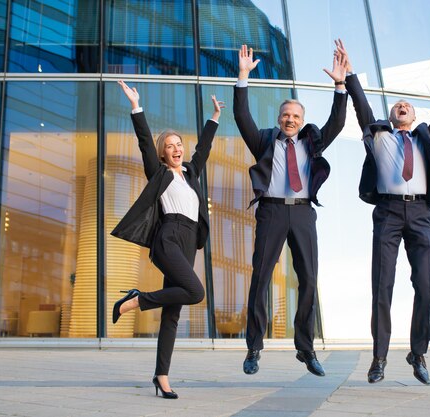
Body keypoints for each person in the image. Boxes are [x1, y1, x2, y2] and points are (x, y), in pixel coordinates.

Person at [335, 39, 430, 385]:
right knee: (382, 286)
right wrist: (351, 72)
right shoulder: (378, 135)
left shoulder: (424, 138)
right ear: (390, 117)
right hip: (387, 213)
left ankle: (418, 353)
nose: (402, 106)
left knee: (426, 285)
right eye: (397, 105)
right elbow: (360, 104)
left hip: (420, 214)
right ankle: (379, 358)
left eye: (407, 105)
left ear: (415, 117)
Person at [234, 44, 348, 377]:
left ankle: (306, 348)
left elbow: (338, 122)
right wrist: (243, 77)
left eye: (296, 116)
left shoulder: (312, 142)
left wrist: (340, 87)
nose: (290, 120)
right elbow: (242, 116)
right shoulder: (264, 141)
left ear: (302, 120)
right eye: (286, 115)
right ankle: (254, 348)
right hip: (270, 212)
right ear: (279, 117)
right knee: (261, 277)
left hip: (302, 213)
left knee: (309, 278)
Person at [111, 80, 224, 399]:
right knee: (196, 291)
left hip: (189, 240)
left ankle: (161, 376)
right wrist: (136, 107)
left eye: (179, 144)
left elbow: (204, 149)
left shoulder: (190, 174)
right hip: (168, 238)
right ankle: (137, 300)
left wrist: (214, 118)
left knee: (174, 311)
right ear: (163, 153)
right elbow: (144, 141)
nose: (176, 148)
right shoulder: (159, 173)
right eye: (170, 145)